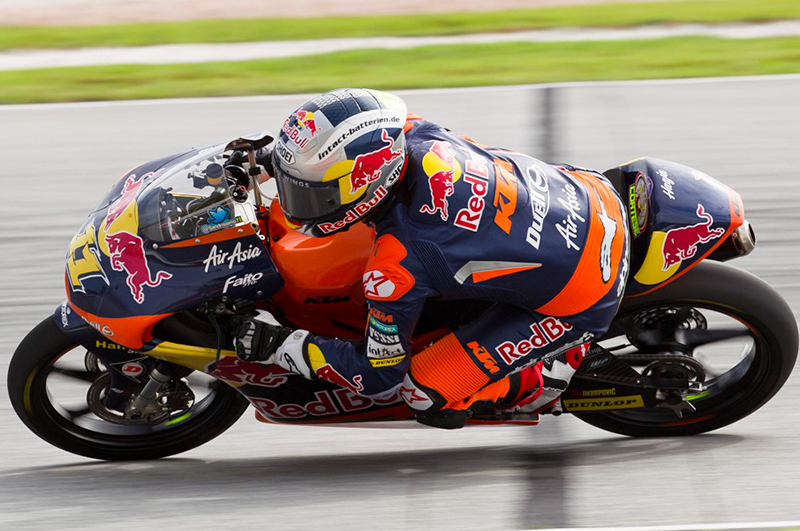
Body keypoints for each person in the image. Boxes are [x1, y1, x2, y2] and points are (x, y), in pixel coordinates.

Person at [234, 88, 630, 429]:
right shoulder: (411, 132)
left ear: (366, 185)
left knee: (422, 394)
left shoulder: (397, 265)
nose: (297, 202)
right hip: (589, 192)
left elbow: (378, 376)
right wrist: (275, 159)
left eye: (312, 193)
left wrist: (281, 345)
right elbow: (348, 139)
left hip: (587, 286)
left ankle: (544, 378)